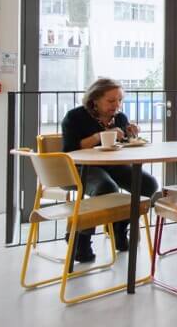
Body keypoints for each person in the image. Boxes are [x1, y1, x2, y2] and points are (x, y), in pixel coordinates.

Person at [61, 78, 159, 263]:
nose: (116, 105)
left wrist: (131, 134)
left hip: (111, 165)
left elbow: (121, 145)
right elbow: (70, 149)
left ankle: (119, 227)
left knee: (148, 185)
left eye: (119, 100)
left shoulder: (120, 118)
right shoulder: (75, 117)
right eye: (111, 101)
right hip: (80, 167)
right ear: (95, 99)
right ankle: (81, 239)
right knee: (106, 188)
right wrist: (99, 136)